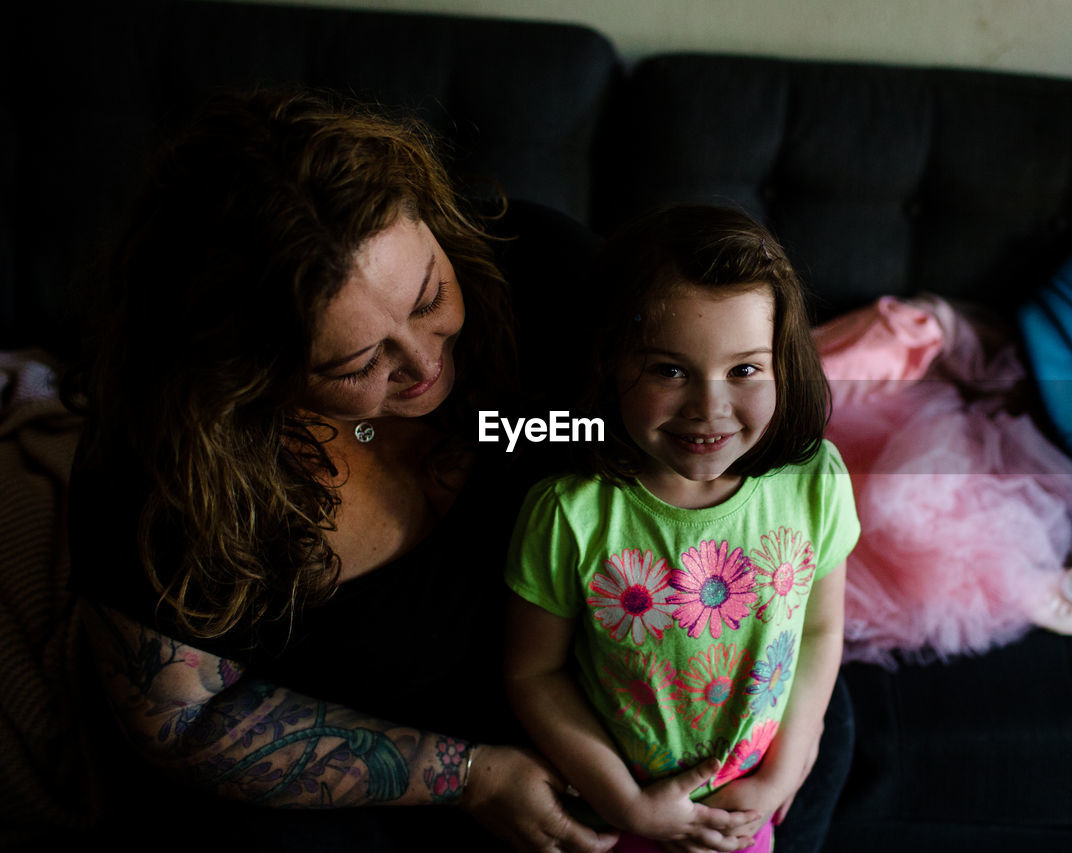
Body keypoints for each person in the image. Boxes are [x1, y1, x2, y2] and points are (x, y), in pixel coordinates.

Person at [62, 85, 633, 853]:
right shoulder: (162, 477)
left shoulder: (541, 272)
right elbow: (185, 719)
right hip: (373, 784)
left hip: (590, 709)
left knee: (822, 727)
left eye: (430, 295)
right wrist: (469, 775)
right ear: (245, 375)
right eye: (360, 362)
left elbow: (735, 421)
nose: (426, 362)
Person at [504, 205, 861, 852]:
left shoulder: (816, 481)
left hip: (749, 809)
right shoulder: (570, 513)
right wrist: (631, 804)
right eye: (669, 369)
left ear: (785, 361)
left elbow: (819, 627)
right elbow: (534, 674)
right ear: (612, 362)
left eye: (745, 369)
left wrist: (784, 770)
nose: (709, 408)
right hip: (620, 816)